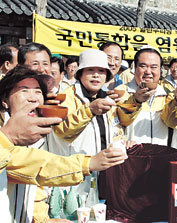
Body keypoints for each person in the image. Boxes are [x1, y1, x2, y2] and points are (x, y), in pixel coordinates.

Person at [0, 65, 128, 222]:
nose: (33, 98)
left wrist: (43, 220)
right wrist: (88, 163)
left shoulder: (36, 133)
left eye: (38, 92)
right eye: (24, 90)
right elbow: (36, 165)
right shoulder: (6, 134)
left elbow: (34, 188)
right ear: (5, 100)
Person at [116, 47, 169, 145]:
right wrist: (136, 100)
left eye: (154, 67)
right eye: (143, 66)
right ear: (134, 68)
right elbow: (118, 123)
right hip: (131, 155)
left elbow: (172, 123)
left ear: (160, 71)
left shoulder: (167, 94)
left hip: (159, 154)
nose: (148, 71)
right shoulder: (121, 91)